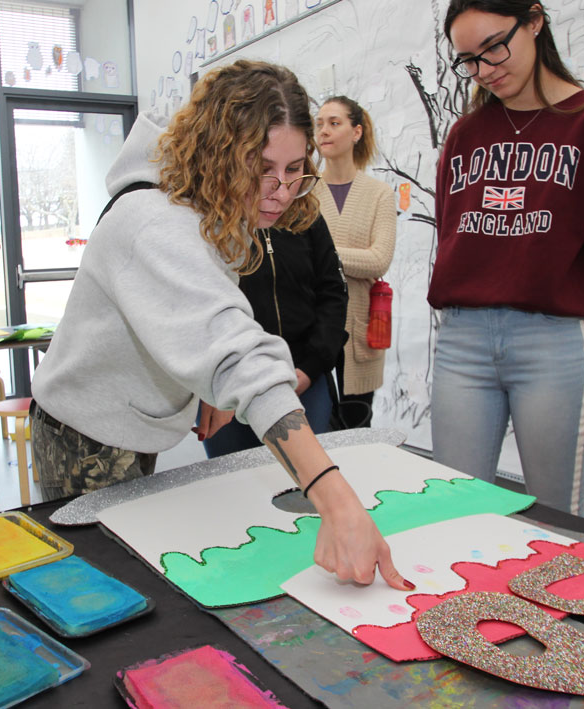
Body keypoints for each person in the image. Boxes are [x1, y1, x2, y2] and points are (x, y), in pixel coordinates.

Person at [30, 60, 411, 589]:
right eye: (262, 169)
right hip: (84, 434)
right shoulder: (154, 220)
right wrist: (335, 498)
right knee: (99, 585)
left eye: (295, 168)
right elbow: (236, 353)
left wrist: (206, 382)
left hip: (137, 424)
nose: (280, 189)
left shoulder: (211, 203)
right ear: (219, 151)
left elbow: (206, 316)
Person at [430, 0, 584, 516]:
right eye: (468, 59)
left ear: (534, 21)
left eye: (494, 46)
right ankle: (470, 602)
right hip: (462, 339)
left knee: (557, 518)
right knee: (453, 511)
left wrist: (557, 275)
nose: (485, 69)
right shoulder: (465, 134)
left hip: (551, 339)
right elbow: (453, 229)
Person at [197, 215, 348, 458]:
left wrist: (310, 368)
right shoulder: (212, 216)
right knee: (233, 484)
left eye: (291, 173)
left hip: (303, 379)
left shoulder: (307, 218)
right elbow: (197, 308)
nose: (280, 184)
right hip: (229, 383)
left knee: (304, 483)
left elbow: (333, 294)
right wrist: (210, 379)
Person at [313, 96, 397, 429]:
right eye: (319, 124)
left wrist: (322, 255)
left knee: (356, 427)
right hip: (313, 325)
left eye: (334, 123)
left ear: (356, 131)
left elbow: (378, 260)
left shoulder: (379, 194)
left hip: (360, 330)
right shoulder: (305, 191)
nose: (324, 131)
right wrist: (346, 261)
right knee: (315, 426)